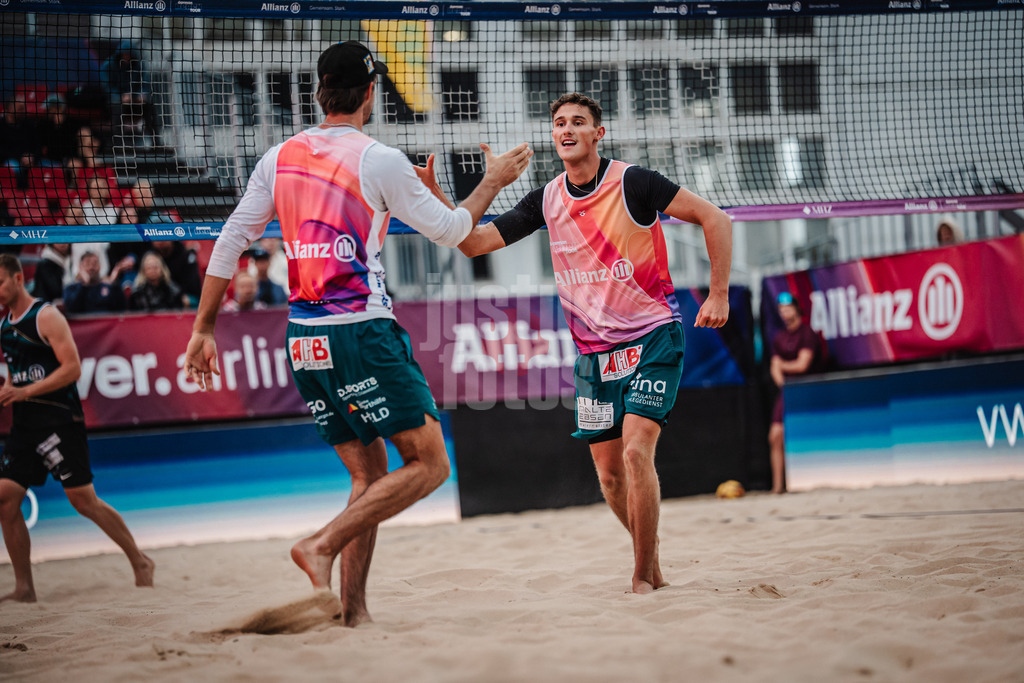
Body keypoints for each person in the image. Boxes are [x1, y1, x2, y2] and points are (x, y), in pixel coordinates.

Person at [183, 41, 532, 625]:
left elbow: (230, 241)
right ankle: (318, 545)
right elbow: (451, 232)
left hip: (304, 340)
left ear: (319, 92)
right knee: (429, 465)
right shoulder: (379, 159)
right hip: (361, 331)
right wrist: (492, 180)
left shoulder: (280, 156)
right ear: (370, 93)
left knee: (368, 477)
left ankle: (353, 612)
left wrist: (204, 327)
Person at [449, 93, 733, 593]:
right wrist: (478, 187)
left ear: (598, 134)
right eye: (559, 122)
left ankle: (642, 575)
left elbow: (718, 218)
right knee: (608, 478)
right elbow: (472, 243)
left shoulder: (635, 182)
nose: (567, 129)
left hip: (653, 337)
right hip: (594, 356)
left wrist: (718, 293)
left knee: (635, 451)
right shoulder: (546, 198)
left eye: (578, 122)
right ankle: (653, 557)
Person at [0, 254, 154, 602]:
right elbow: (17, 372)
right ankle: (24, 588)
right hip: (25, 424)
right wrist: (10, 391)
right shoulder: (4, 327)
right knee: (6, 500)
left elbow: (72, 369)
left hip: (59, 418)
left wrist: (23, 390)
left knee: (84, 501)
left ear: (18, 278)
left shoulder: (46, 316)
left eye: (0, 282)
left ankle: (140, 561)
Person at [768, 292, 822, 495]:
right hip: (788, 391)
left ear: (797, 309)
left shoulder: (807, 333)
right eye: (781, 309)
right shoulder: (779, 338)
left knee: (802, 437)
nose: (784, 312)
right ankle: (777, 487)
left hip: (808, 391)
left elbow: (802, 364)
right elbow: (775, 369)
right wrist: (783, 381)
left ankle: (801, 481)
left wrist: (783, 365)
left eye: (787, 308)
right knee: (775, 436)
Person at [62, 251, 128, 314]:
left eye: (94, 264)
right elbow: (71, 310)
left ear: (100, 266)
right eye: (87, 264)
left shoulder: (109, 287)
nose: (91, 267)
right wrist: (83, 286)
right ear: (80, 267)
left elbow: (121, 309)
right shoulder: (71, 289)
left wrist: (115, 285)